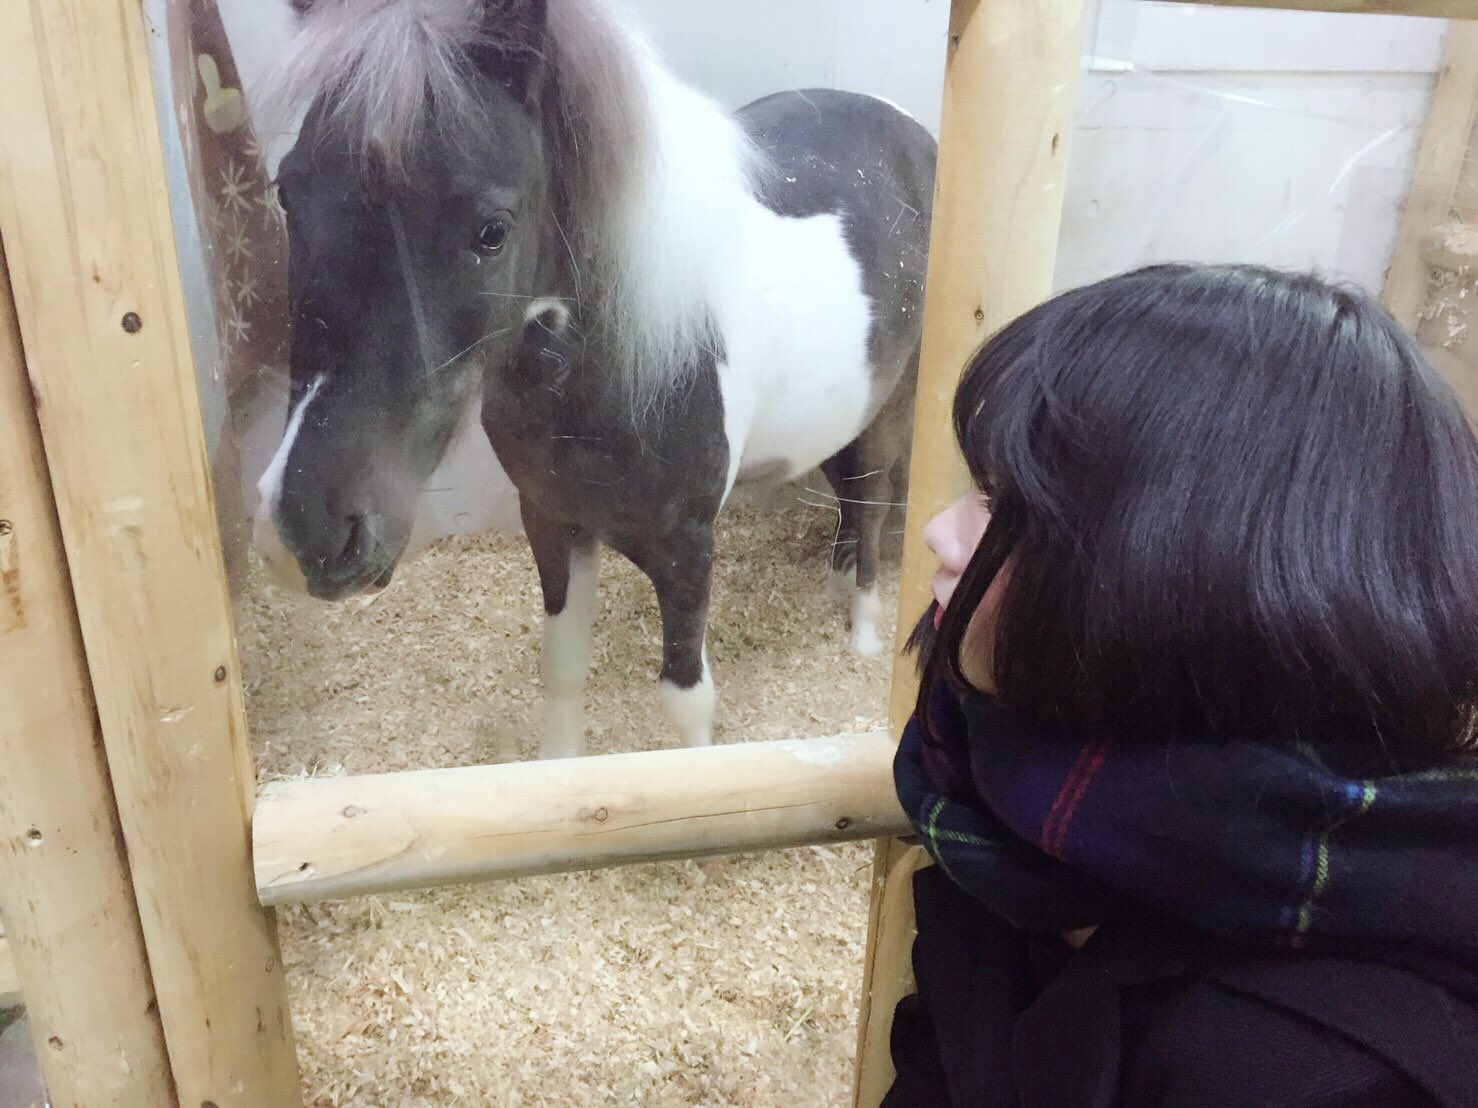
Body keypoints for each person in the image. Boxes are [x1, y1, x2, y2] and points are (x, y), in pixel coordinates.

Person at [883, 264, 1478, 1107]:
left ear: (1170, 566)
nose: (941, 532)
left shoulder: (1330, 1071)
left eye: (1000, 502)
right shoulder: (1002, 802)